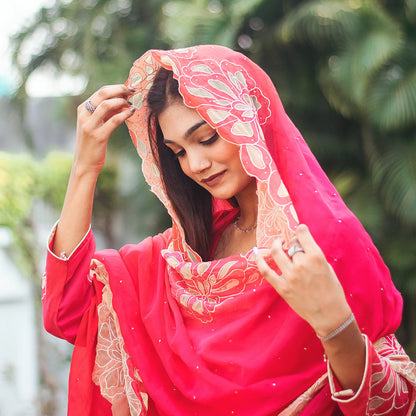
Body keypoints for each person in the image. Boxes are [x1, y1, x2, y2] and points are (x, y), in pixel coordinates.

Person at [42, 45, 416, 415]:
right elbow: (68, 310)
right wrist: (85, 166)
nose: (196, 164)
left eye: (206, 138)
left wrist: (336, 326)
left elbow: (395, 403)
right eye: (179, 152)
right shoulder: (191, 252)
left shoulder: (323, 240)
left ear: (249, 121)